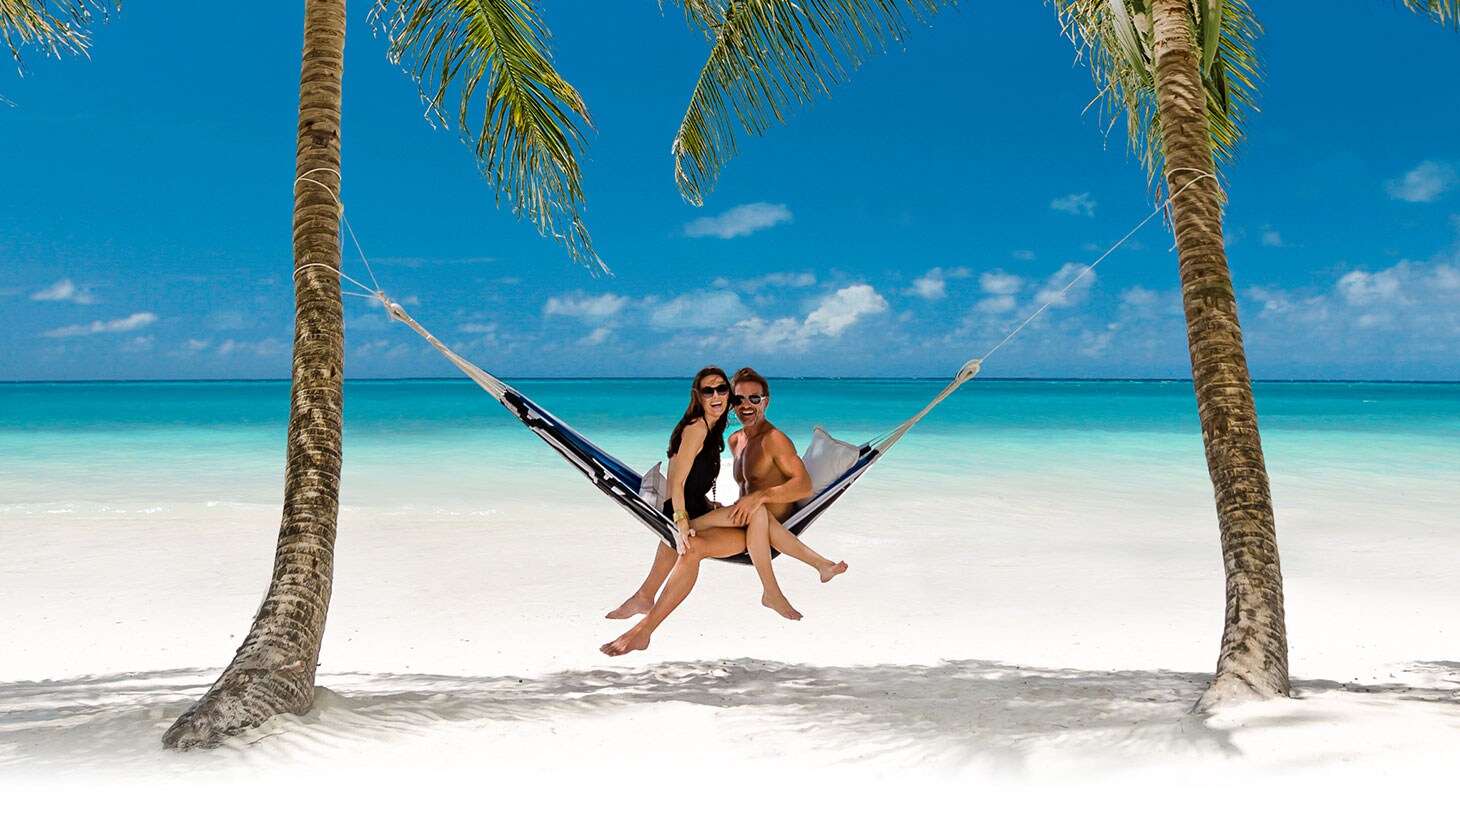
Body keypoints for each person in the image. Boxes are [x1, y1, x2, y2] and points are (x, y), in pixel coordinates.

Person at [599, 367, 844, 657]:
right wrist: (695, 513)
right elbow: (682, 476)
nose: (745, 405)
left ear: (766, 401)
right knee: (690, 547)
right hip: (741, 525)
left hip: (760, 529)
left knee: (735, 518)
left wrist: (758, 498)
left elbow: (803, 487)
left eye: (754, 398)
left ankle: (780, 586)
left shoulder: (773, 440)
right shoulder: (734, 439)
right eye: (739, 398)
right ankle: (645, 618)